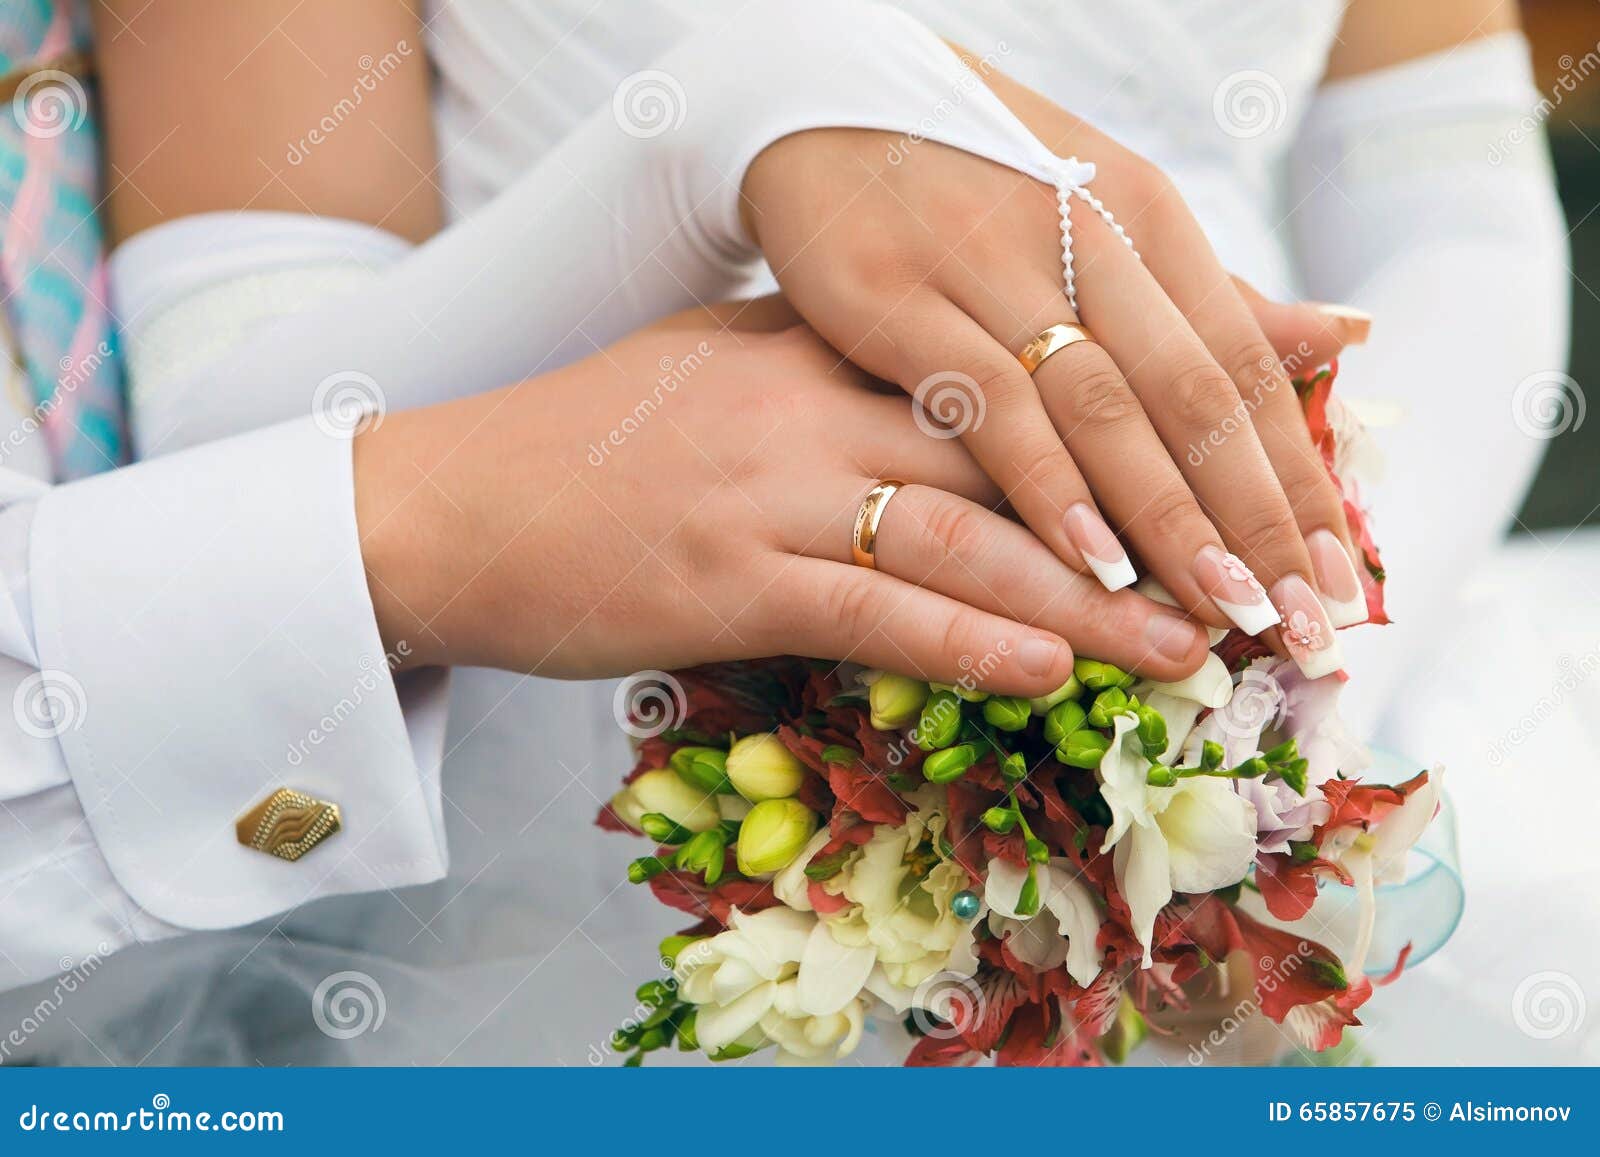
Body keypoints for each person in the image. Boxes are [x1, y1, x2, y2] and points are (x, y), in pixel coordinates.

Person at [0, 0, 1565, 1065]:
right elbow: (252, 451)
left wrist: (1277, 704)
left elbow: (1445, 201)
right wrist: (699, 150)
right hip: (563, 845)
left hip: (1258, 764)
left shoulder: (1276, 720)